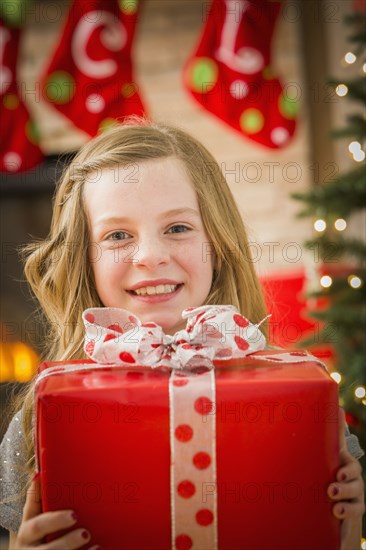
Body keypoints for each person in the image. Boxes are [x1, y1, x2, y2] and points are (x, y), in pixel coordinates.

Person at [1, 118, 364, 549]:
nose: (151, 256)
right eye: (118, 235)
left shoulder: (302, 398)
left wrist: (347, 529)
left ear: (218, 241)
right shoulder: (39, 420)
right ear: (86, 259)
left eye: (177, 228)